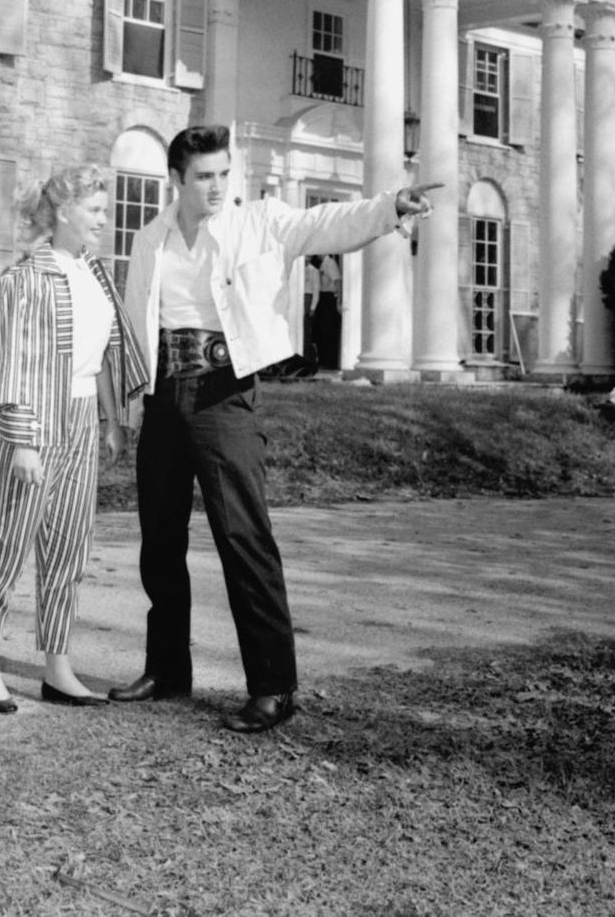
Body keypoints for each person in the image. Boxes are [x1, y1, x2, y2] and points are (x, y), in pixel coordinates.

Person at [109, 125, 432, 733]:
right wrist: (126, 413)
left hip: (224, 395)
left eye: (223, 174)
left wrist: (390, 206)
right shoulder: (149, 240)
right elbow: (132, 328)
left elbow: (327, 222)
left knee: (243, 538)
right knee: (159, 541)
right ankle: (168, 668)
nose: (216, 186)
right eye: (204, 176)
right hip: (162, 397)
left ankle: (273, 686)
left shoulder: (259, 221)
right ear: (176, 180)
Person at [0, 164, 148, 712]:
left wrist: (112, 421)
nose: (103, 219)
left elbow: (108, 356)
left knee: (68, 549)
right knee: (11, 544)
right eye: (94, 209)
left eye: (103, 209)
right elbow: (9, 364)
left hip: (82, 420)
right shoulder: (20, 282)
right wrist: (21, 440)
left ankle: (57, 666)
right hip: (35, 424)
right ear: (64, 212)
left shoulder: (95, 275)